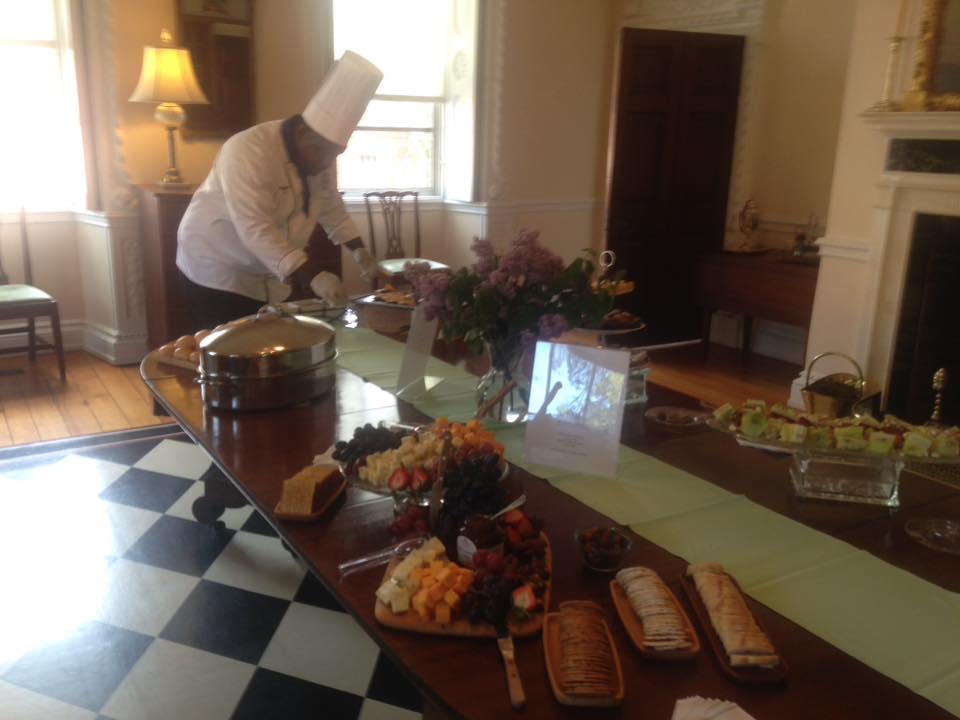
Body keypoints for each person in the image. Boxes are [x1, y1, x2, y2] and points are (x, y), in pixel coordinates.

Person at [176, 51, 382, 330]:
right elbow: (254, 226)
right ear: (302, 133)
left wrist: (360, 251)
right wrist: (313, 276)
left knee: (266, 348)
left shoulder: (320, 154)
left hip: (266, 274)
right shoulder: (248, 151)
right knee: (229, 353)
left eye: (334, 155)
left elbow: (331, 207)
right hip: (218, 266)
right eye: (322, 154)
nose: (325, 164)